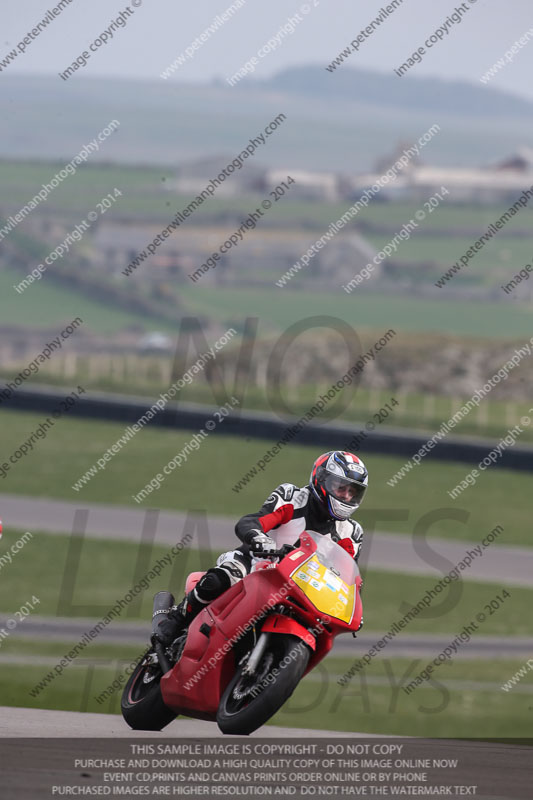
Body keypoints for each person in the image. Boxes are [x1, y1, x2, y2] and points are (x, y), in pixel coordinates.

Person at [154, 450, 368, 646]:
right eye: (341, 487)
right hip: (257, 566)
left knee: (319, 633)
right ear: (321, 479)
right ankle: (174, 622)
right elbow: (251, 522)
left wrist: (352, 609)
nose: (346, 496)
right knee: (222, 578)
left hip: (302, 591)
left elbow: (350, 582)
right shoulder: (292, 497)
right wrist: (258, 538)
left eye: (353, 491)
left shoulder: (352, 533)